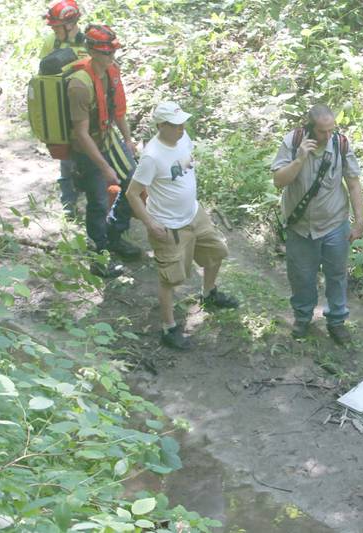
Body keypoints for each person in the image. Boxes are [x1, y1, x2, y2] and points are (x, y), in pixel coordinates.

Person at [126, 102, 239, 349]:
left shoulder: (183, 137)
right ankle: (169, 329)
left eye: (182, 124)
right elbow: (132, 194)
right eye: (176, 125)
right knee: (170, 279)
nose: (182, 128)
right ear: (161, 126)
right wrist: (150, 223)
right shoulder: (152, 156)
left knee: (216, 253)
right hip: (169, 226)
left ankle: (209, 294)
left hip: (194, 214)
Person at [271, 104, 363, 345]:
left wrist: (359, 221)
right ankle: (303, 318)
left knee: (336, 275)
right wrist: (299, 159)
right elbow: (278, 181)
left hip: (334, 223)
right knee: (301, 275)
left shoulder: (340, 144)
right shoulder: (293, 142)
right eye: (322, 131)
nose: (327, 136)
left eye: (331, 130)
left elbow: (353, 183)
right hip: (299, 226)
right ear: (309, 128)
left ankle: (336, 322)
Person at [67, 24, 142, 277]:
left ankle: (114, 234)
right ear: (92, 51)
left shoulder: (112, 71)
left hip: (109, 137)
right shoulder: (79, 84)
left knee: (134, 184)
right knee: (98, 201)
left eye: (113, 52)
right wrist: (105, 167)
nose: (111, 56)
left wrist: (128, 140)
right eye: (106, 52)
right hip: (87, 148)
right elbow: (81, 133)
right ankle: (98, 258)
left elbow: (118, 110)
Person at [40, 0, 87, 219]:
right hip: (61, 108)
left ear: (70, 24)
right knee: (65, 156)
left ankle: (95, 198)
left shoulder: (88, 43)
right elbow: (43, 78)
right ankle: (69, 202)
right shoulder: (51, 42)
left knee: (89, 153)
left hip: (86, 108)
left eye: (57, 27)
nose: (54, 31)